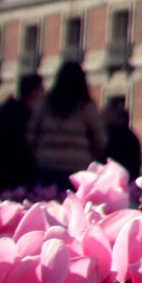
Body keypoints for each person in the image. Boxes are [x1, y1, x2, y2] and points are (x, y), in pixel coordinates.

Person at [26, 62, 106, 191]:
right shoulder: (86, 107)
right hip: (77, 167)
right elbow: (100, 139)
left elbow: (31, 136)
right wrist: (90, 157)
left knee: (46, 200)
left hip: (47, 165)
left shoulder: (44, 105)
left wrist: (40, 153)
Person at [0, 74, 43, 196]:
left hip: (4, 176)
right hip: (9, 177)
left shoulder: (12, 111)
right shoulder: (22, 117)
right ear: (34, 92)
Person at [102, 96, 142, 179]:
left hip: (112, 180)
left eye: (106, 112)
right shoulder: (131, 138)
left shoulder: (116, 138)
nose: (102, 115)